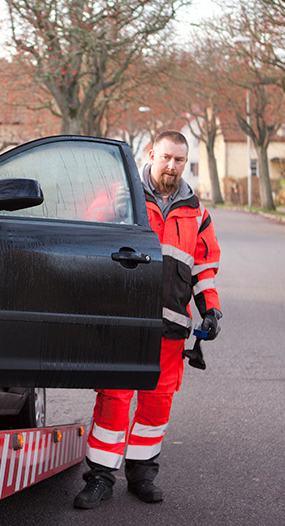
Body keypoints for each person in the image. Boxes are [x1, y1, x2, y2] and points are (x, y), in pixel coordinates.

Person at [74, 130, 223, 509]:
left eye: (179, 161)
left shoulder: (196, 212)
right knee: (115, 399)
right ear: (151, 153)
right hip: (124, 323)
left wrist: (211, 308)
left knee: (157, 404)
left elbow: (204, 268)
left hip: (170, 327)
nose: (172, 167)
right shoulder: (120, 195)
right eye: (166, 158)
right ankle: (100, 478)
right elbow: (89, 244)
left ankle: (142, 475)